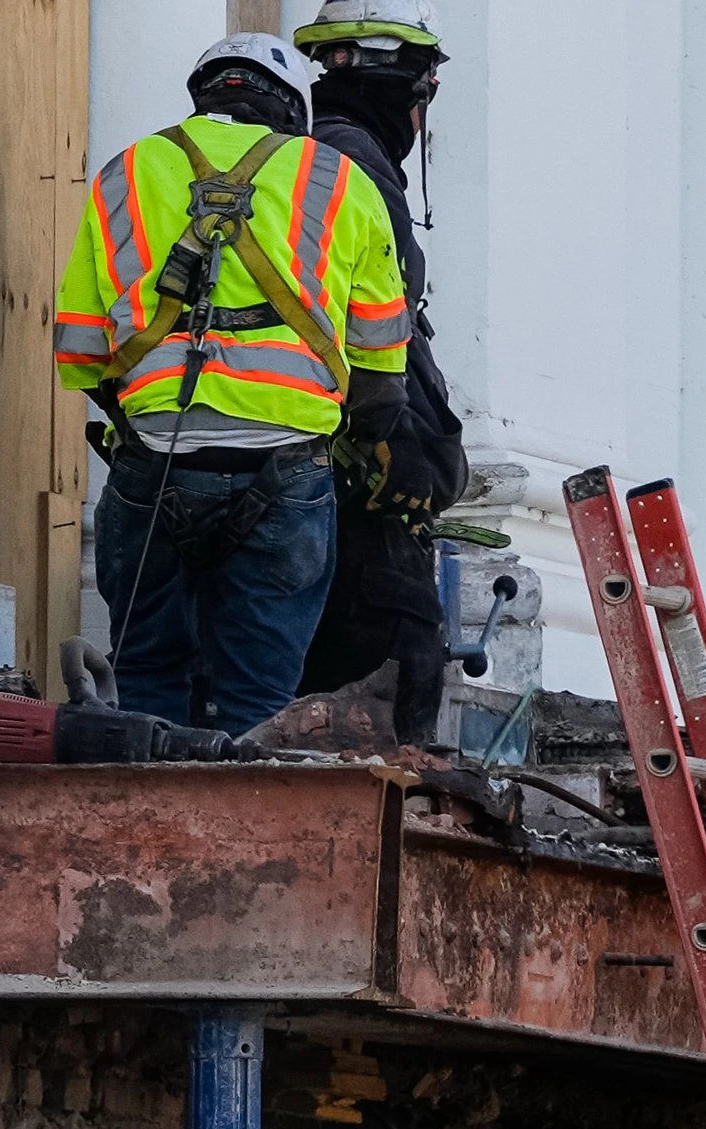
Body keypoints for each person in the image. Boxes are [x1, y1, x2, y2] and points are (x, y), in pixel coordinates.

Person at [55, 31, 414, 733]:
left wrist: (143, 406)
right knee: (261, 697)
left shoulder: (124, 172)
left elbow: (81, 349)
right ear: (291, 106)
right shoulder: (339, 178)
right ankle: (247, 800)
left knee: (146, 681)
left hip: (154, 459)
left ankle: (145, 799)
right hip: (286, 469)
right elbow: (381, 369)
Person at [294, 0, 468, 745]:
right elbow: (372, 336)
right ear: (405, 85)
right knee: (392, 695)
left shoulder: (302, 160)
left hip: (311, 490)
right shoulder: (352, 170)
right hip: (349, 499)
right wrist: (396, 438)